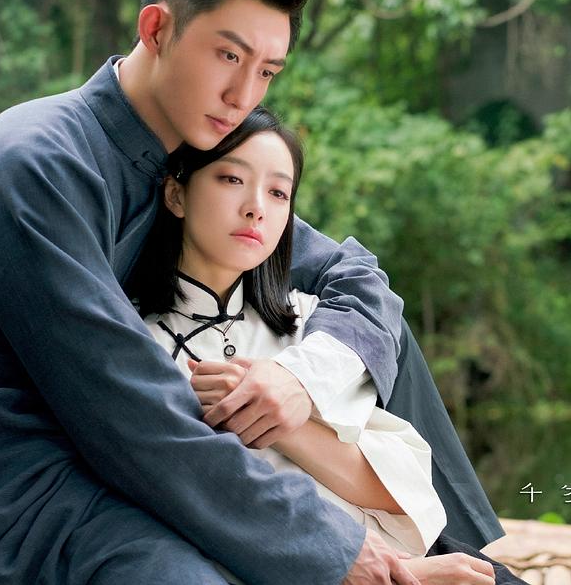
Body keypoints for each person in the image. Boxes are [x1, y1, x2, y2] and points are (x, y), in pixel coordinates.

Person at [0, 0, 500, 583]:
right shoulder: (34, 164)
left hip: (138, 464)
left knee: (377, 339)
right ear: (156, 29)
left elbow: (357, 279)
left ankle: (462, 555)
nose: (243, 95)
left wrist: (297, 380)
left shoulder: (188, 160)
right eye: (229, 55)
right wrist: (338, 553)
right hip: (33, 500)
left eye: (267, 71)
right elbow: (131, 418)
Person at [132, 106, 523, 584]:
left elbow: (403, 489)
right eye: (231, 179)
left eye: (278, 192)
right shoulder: (136, 345)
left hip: (409, 556)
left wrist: (284, 418)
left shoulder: (313, 323)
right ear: (176, 193)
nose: (256, 207)